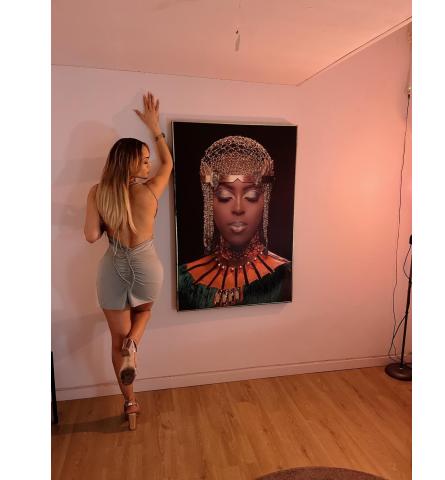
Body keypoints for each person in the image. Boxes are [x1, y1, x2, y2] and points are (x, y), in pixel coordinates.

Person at [83, 92, 173, 430]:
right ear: (131, 163)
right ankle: (133, 345)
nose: (149, 166)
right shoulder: (149, 191)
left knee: (114, 339)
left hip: (113, 268)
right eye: (144, 160)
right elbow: (168, 164)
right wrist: (155, 128)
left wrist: (107, 220)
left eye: (148, 160)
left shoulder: (98, 192)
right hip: (146, 266)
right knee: (145, 312)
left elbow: (91, 235)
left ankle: (130, 403)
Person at [177, 135, 292, 310]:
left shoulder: (284, 276)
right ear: (209, 201)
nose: (238, 208)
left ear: (264, 201)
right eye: (225, 197)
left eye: (251, 196)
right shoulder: (184, 279)